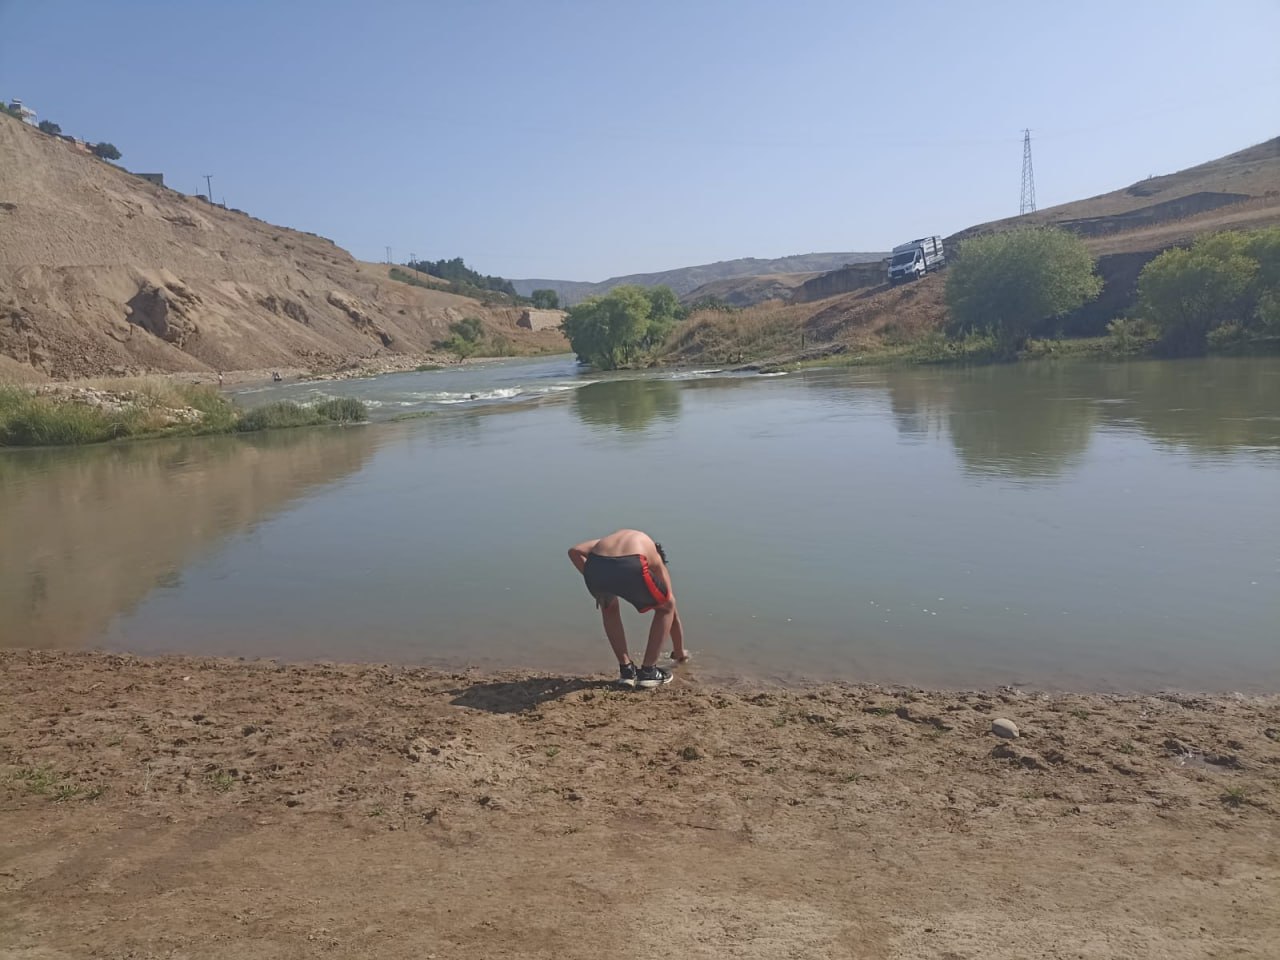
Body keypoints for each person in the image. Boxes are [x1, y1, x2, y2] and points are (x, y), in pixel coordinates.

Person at [568, 529, 688, 689]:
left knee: (609, 607)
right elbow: (671, 610)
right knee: (666, 607)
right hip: (631, 563)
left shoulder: (614, 540)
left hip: (596, 565)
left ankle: (626, 671)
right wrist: (679, 653)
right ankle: (648, 673)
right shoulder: (656, 559)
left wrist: (596, 580)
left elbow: (575, 551)